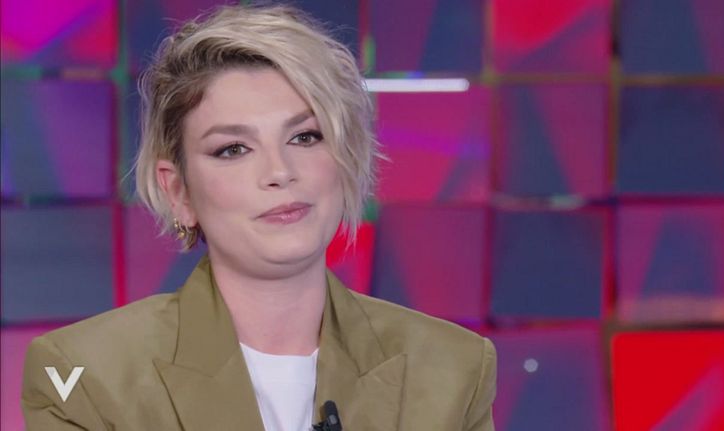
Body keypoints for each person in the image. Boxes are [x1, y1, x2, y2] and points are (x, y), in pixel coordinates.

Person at [21, 4, 497, 430]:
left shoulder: (454, 369)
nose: (279, 172)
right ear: (178, 191)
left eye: (305, 137)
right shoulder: (87, 376)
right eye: (233, 149)